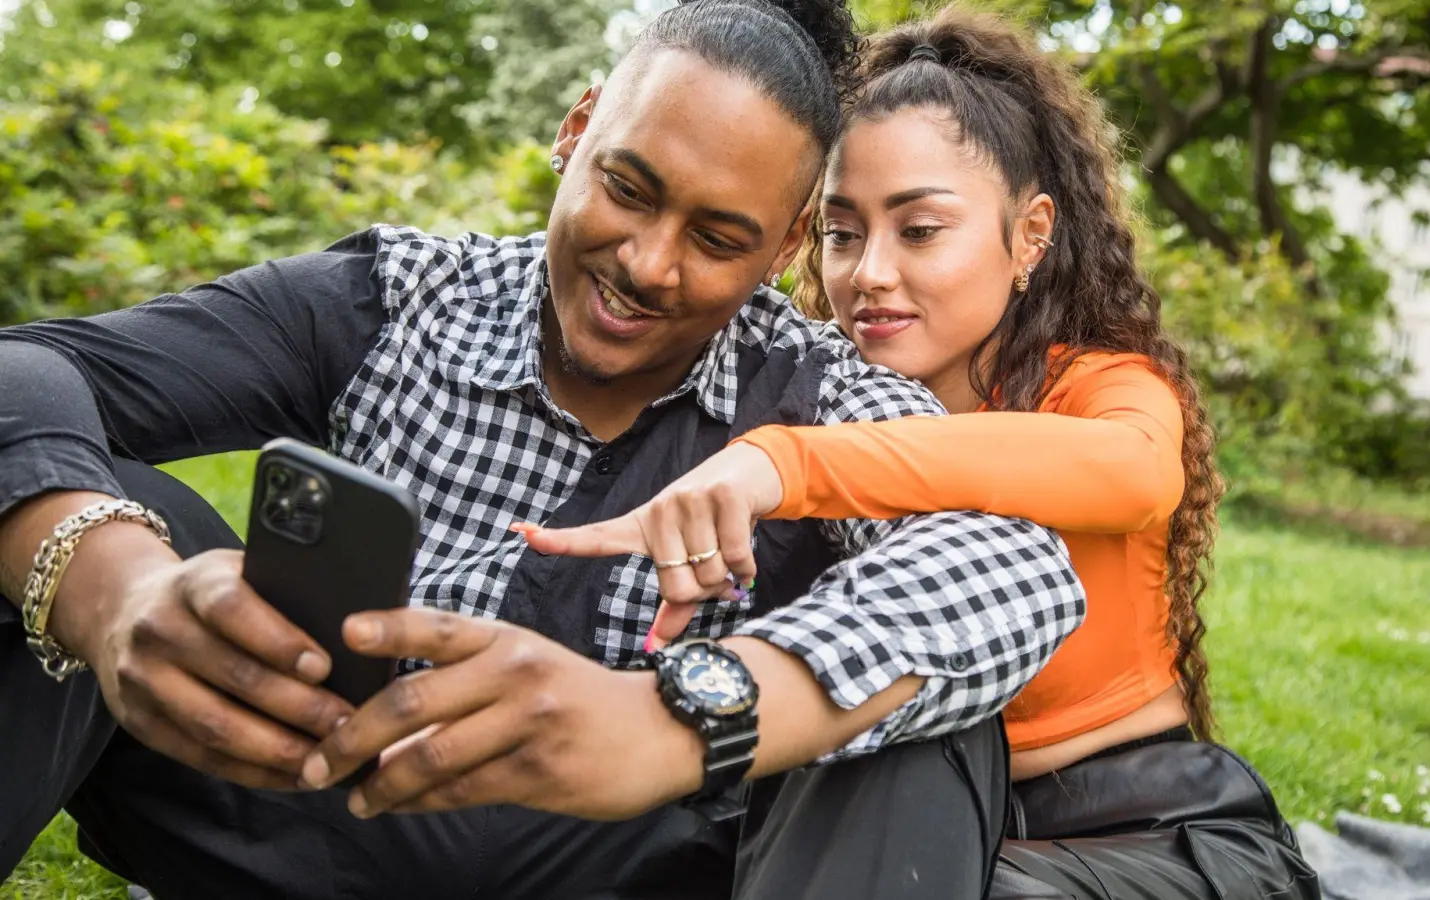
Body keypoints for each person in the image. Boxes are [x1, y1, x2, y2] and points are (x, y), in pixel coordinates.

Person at [0, 1, 1089, 897]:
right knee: (65, 495)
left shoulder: (814, 388)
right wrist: (108, 585)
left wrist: (671, 715)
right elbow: (25, 376)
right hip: (283, 787)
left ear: (785, 246)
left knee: (916, 716)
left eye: (717, 240)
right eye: (627, 188)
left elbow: (1014, 566)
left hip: (600, 862)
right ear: (576, 133)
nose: (649, 265)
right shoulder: (396, 298)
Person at [527, 10, 1321, 900]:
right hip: (880, 815)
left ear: (1029, 235)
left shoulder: (1102, 385)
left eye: (920, 230)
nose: (867, 273)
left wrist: (788, 465)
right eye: (842, 231)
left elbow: (1134, 471)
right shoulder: (806, 388)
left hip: (1132, 830)